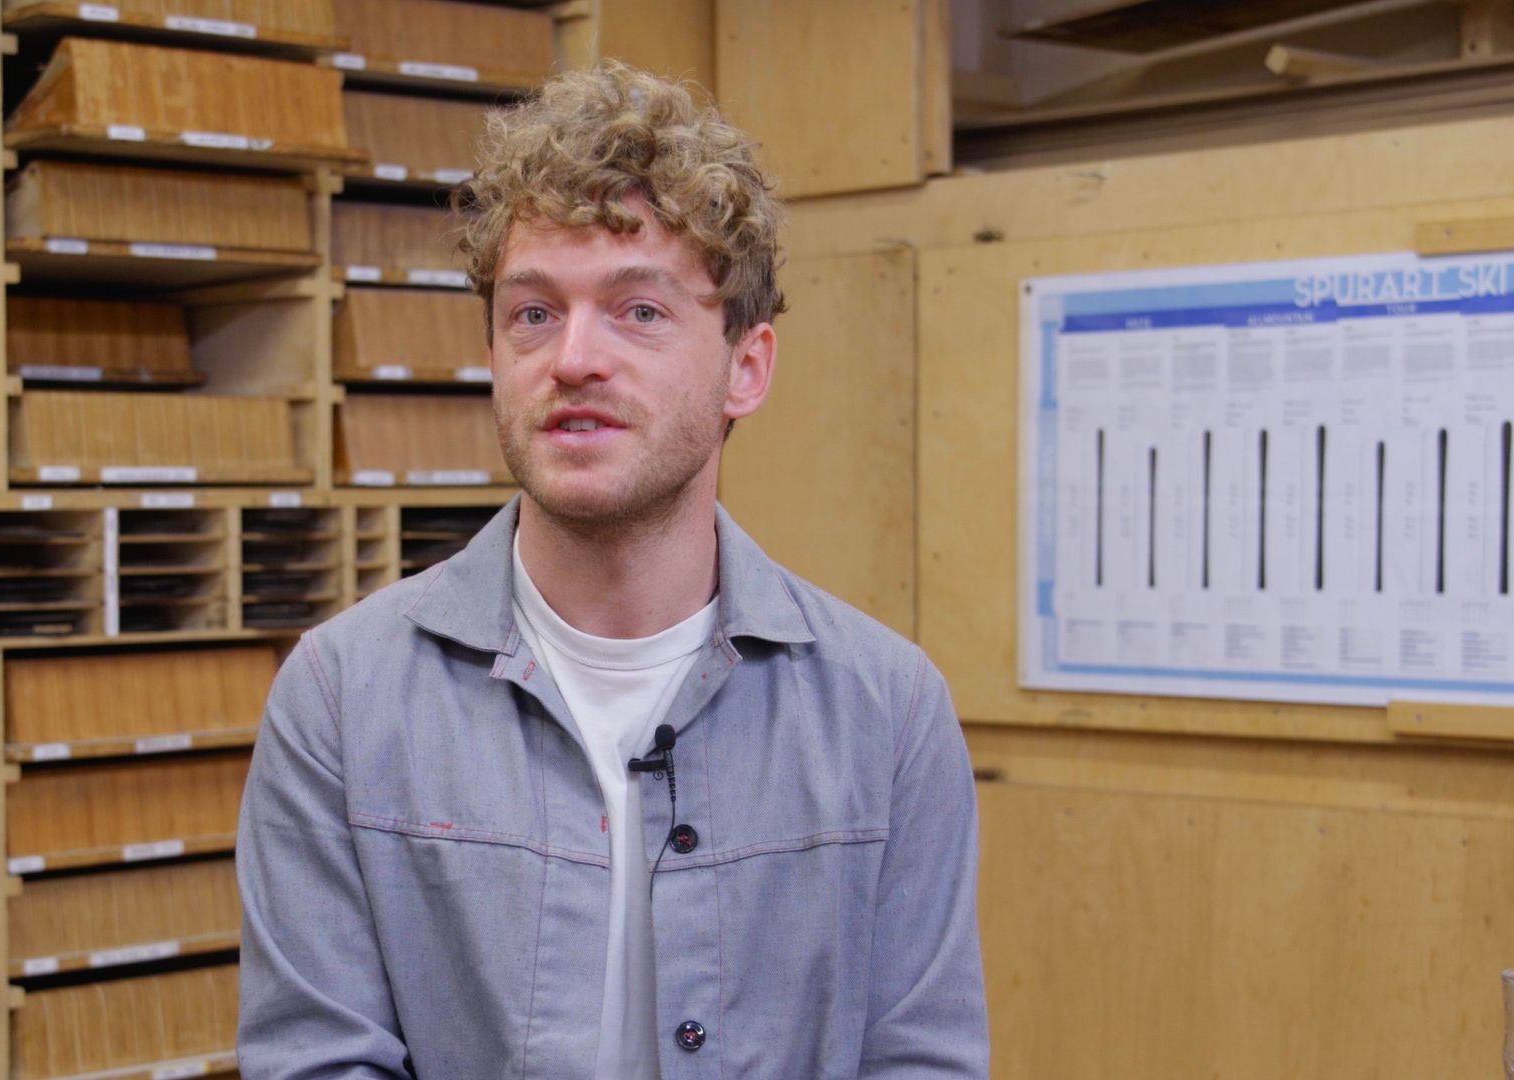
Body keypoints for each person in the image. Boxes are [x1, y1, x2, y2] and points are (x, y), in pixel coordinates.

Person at [236, 62, 988, 1078]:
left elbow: (922, 1060)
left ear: (747, 367)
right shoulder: (341, 700)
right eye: (533, 313)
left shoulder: (886, 713)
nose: (573, 358)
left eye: (639, 311)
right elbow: (315, 1061)